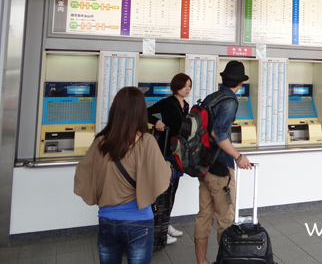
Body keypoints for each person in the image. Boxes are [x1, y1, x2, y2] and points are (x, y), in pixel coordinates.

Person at [74, 87, 171, 264]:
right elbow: (161, 177)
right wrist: (168, 165)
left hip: (107, 219)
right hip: (139, 221)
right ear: (141, 112)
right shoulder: (146, 141)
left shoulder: (101, 141)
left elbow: (83, 171)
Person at [195, 60, 252, 264]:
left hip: (204, 166)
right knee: (226, 218)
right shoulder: (230, 100)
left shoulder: (212, 97)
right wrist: (238, 157)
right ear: (240, 83)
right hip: (219, 169)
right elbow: (218, 134)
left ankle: (202, 262)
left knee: (204, 215)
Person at [146, 73, 192, 243]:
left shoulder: (186, 106)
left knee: (173, 190)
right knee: (163, 191)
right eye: (184, 85)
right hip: (165, 152)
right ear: (176, 86)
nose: (187, 89)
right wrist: (156, 122)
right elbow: (145, 113)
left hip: (178, 154)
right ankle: (158, 229)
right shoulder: (167, 102)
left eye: (189, 86)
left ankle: (166, 224)